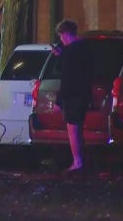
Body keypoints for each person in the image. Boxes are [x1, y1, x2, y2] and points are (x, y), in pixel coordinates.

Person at [51, 19, 93, 174]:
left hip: (72, 97)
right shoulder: (85, 48)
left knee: (73, 131)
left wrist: (59, 101)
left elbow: (66, 78)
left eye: (61, 36)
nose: (61, 40)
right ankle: (81, 161)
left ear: (65, 34)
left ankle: (77, 162)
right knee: (79, 130)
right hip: (83, 95)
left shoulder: (70, 52)